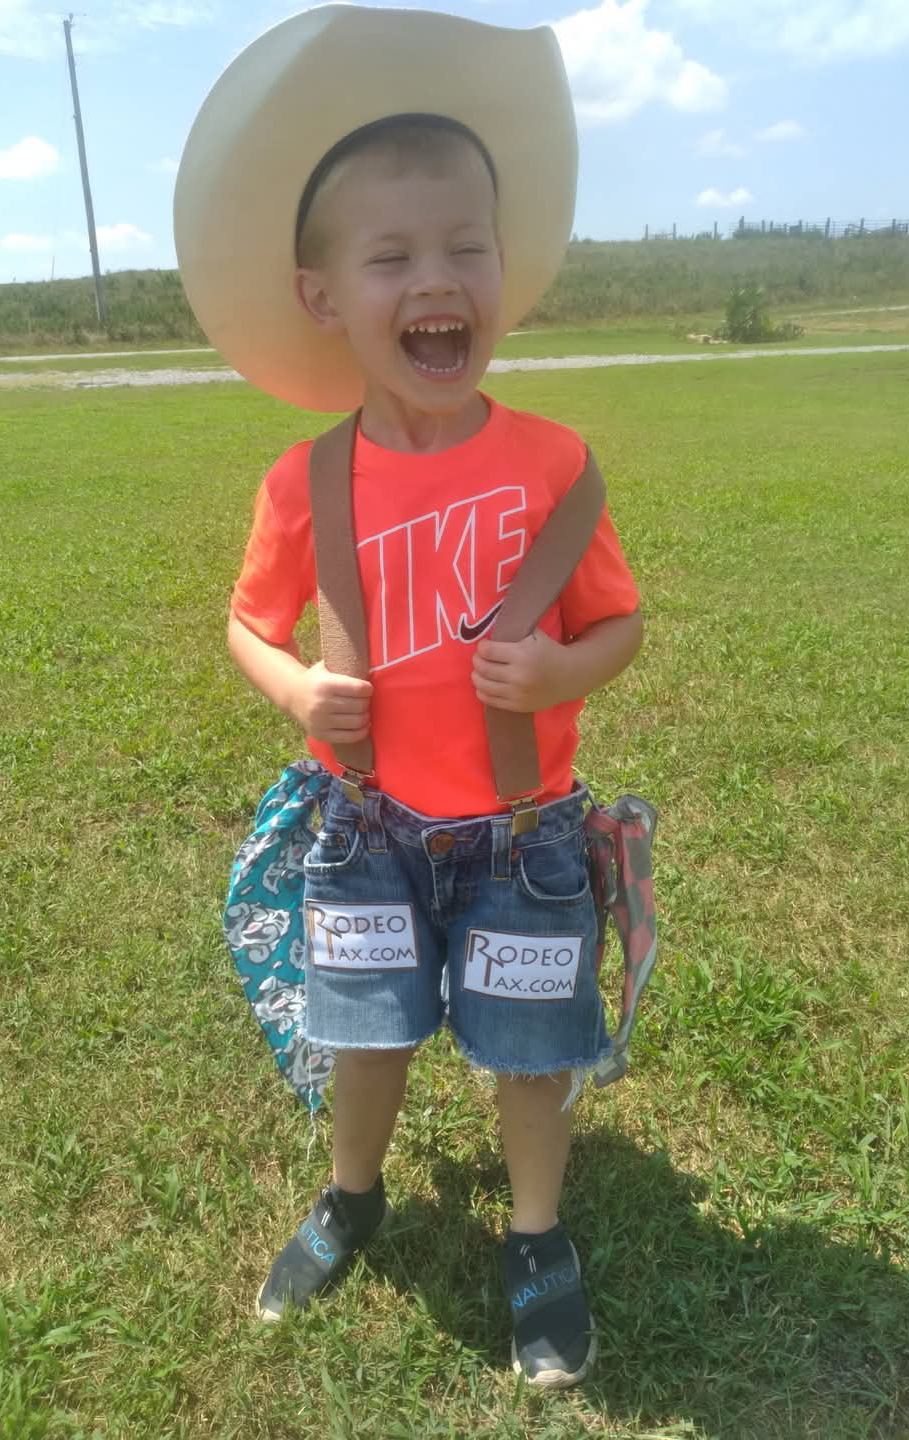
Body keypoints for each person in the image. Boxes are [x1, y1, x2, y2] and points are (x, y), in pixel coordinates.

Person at [174, 4, 643, 1390]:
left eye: (465, 248)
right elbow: (245, 623)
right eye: (391, 257)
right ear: (324, 297)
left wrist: (561, 670)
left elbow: (619, 623)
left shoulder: (554, 465)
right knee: (363, 1031)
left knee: (531, 1053)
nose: (437, 279)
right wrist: (297, 688)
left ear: (503, 267)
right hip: (365, 827)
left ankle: (536, 1237)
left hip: (524, 831)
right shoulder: (306, 481)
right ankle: (351, 1193)